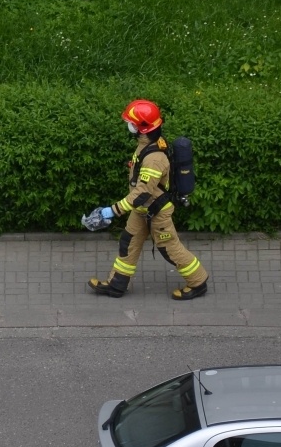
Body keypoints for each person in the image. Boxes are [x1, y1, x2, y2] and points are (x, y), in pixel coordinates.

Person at [84, 99, 208, 301]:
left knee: (170, 249)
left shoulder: (154, 158)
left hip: (156, 211)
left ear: (141, 128)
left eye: (131, 122)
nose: (128, 125)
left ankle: (198, 282)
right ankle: (117, 285)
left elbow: (142, 192)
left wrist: (112, 211)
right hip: (142, 210)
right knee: (128, 242)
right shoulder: (147, 144)